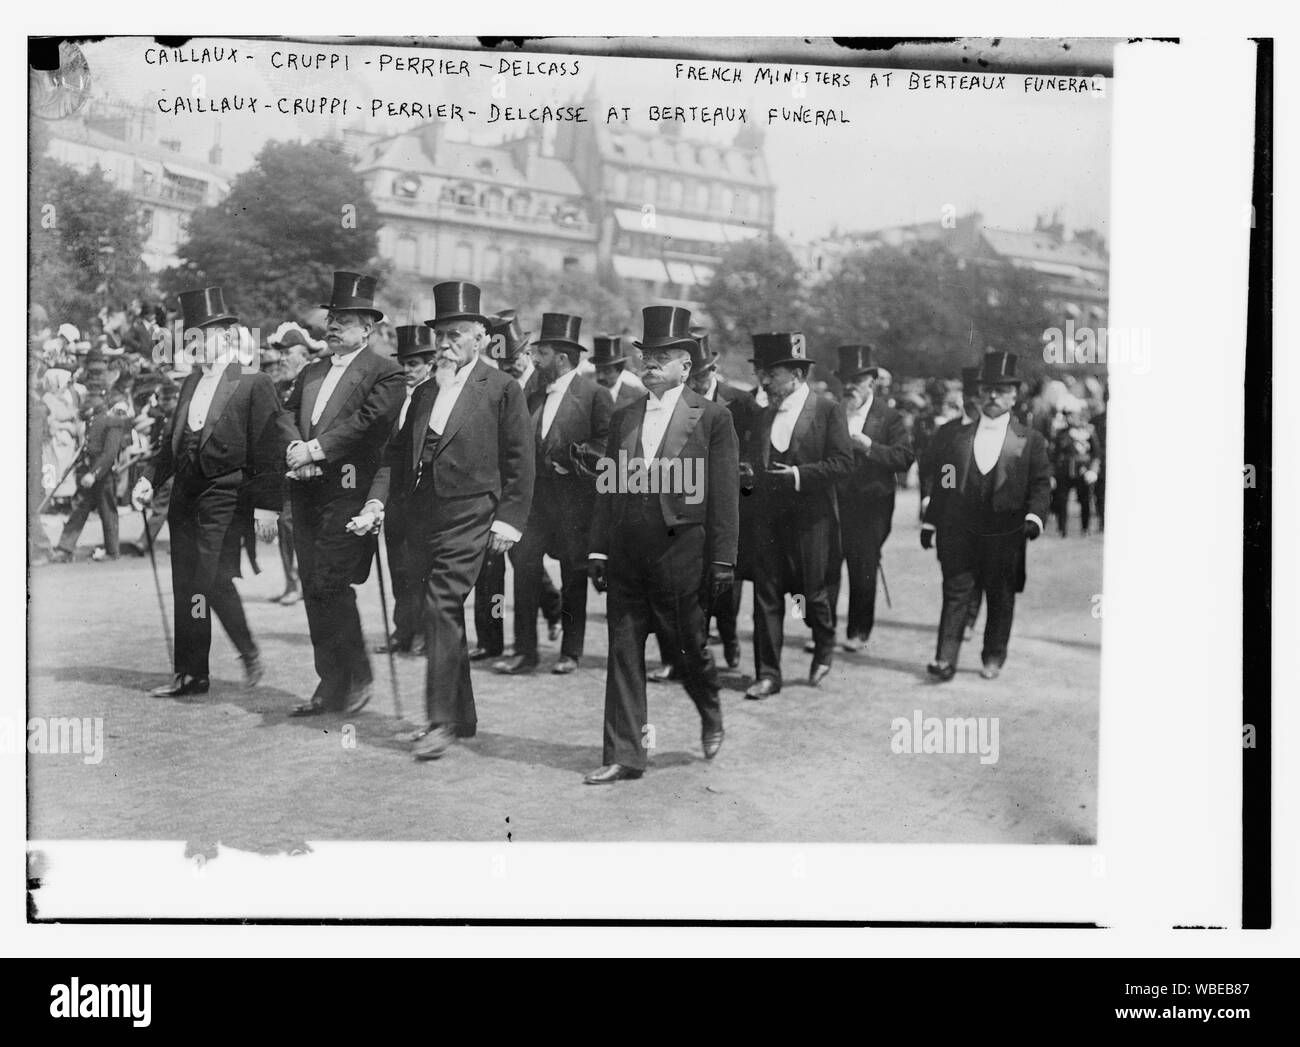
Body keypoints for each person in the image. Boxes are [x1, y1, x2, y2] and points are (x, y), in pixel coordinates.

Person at [353, 281, 534, 761]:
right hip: (422, 516)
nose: (445, 344)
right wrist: (376, 504)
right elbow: (395, 457)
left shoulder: (502, 389)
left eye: (456, 334)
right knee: (441, 610)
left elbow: (520, 461)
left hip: (472, 516)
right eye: (440, 335)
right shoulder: (427, 390)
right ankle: (462, 716)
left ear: (481, 338)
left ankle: (439, 722)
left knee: (440, 606)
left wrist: (508, 522)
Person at [583, 305, 738, 783]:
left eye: (662, 356)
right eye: (646, 356)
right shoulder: (624, 415)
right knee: (623, 650)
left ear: (685, 366)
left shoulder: (712, 418)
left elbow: (725, 493)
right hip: (628, 550)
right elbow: (608, 484)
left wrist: (722, 559)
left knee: (686, 647)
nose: (649, 364)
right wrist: (598, 548)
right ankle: (624, 754)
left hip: (681, 552)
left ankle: (709, 707)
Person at [130, 287, 296, 697]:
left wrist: (267, 508)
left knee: (210, 578)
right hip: (186, 495)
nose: (192, 345)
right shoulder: (189, 383)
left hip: (226, 495)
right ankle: (190, 674)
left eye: (200, 336)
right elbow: (172, 439)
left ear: (225, 335)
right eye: (188, 336)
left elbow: (269, 450)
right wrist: (150, 478)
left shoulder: (253, 383)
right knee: (188, 582)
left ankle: (247, 650)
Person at [282, 272, 405, 717]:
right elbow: (286, 416)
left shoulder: (385, 372)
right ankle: (329, 682)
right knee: (314, 587)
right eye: (332, 317)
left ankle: (356, 675)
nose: (333, 325)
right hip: (306, 490)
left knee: (333, 583)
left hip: (350, 491)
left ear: (367, 329)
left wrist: (317, 448)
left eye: (346, 319)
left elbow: (369, 423)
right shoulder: (313, 370)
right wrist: (296, 448)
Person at [920, 351, 1052, 681]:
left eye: (1001, 390)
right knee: (955, 592)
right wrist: (932, 518)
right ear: (979, 394)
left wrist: (1035, 517)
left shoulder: (1029, 440)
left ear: (1013, 395)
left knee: (999, 595)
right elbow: (946, 479)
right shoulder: (956, 437)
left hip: (1005, 532)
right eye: (988, 389)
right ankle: (944, 658)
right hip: (961, 530)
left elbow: (1040, 484)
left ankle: (993, 654)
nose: (993, 396)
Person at [495, 312, 611, 676]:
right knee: (525, 570)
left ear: (561, 358)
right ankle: (525, 652)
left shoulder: (595, 395)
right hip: (533, 503)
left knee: (573, 576)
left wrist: (574, 458)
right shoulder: (531, 392)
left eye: (540, 354)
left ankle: (570, 652)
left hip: (574, 503)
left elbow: (607, 445)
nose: (533, 360)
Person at [743, 333, 854, 699]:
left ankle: (824, 644)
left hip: (812, 521)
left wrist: (796, 477)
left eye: (770, 375)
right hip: (767, 521)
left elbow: (842, 464)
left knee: (813, 592)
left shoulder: (827, 409)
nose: (764, 381)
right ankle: (768, 674)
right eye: (761, 374)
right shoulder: (762, 413)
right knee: (767, 595)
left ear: (795, 374)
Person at [652, 329, 742, 676]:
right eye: (696, 375)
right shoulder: (675, 407)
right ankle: (680, 659)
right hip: (681, 514)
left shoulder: (737, 403)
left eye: (705, 374)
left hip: (723, 509)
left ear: (712, 370)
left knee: (721, 589)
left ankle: (730, 638)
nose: (700, 381)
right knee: (682, 595)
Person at [471, 310, 560, 660]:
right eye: (502, 361)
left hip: (532, 498)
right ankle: (490, 640)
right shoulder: (491, 387)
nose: (510, 366)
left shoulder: (542, 388)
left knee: (526, 570)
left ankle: (549, 616)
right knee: (490, 573)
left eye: (515, 359)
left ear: (526, 354)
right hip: (495, 491)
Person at [826, 345, 914, 652]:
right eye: (845, 380)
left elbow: (904, 458)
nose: (850, 386)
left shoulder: (888, 418)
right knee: (827, 569)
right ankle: (824, 633)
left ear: (871, 383)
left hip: (870, 508)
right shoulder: (833, 412)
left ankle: (858, 632)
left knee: (863, 570)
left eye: (857, 380)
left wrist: (869, 447)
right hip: (834, 504)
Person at [371, 325, 436, 656]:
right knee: (398, 566)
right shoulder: (395, 398)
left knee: (420, 568)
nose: (408, 371)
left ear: (429, 363)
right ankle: (403, 630)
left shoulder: (435, 396)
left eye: (415, 364)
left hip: (423, 500)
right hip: (394, 497)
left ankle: (425, 630)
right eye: (405, 364)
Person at [918, 366, 984, 640]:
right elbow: (933, 468)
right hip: (952, 516)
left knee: (980, 568)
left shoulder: (999, 433)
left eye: (981, 393)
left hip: (984, 516)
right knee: (952, 572)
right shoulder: (948, 431)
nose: (977, 400)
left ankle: (969, 617)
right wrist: (930, 501)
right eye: (972, 394)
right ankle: (960, 617)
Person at [51, 389, 131, 562]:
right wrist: (72, 468)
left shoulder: (113, 423)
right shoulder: (93, 421)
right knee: (79, 509)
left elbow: (109, 454)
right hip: (88, 471)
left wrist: (94, 474)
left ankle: (112, 551)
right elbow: (86, 448)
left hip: (102, 474)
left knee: (107, 511)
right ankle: (65, 549)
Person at [1050, 404, 1101, 536]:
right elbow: (1054, 455)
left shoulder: (1088, 432)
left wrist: (1093, 470)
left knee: (1085, 500)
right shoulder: (1061, 433)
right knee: (1062, 500)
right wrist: (1052, 473)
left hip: (1082, 471)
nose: (1071, 418)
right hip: (1064, 471)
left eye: (1073, 415)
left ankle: (1085, 528)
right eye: (1068, 415)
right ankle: (1062, 530)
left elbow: (1096, 454)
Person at [590, 335, 644, 408]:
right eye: (598, 371)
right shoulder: (588, 396)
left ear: (619, 371)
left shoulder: (636, 395)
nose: (600, 377)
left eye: (607, 372)